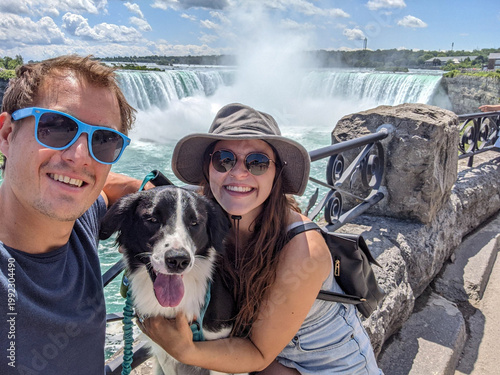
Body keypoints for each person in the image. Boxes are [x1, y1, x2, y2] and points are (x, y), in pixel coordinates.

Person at [138, 103, 383, 374]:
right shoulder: (205, 214)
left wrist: (184, 349)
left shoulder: (304, 250)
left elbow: (258, 354)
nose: (239, 173)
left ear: (276, 173)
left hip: (329, 367)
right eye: (224, 160)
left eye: (257, 163)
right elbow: (139, 196)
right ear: (209, 168)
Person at [0, 55, 146, 374]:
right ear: (7, 134)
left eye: (104, 141)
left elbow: (109, 189)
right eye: (56, 127)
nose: (79, 157)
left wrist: (166, 197)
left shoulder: (82, 217)